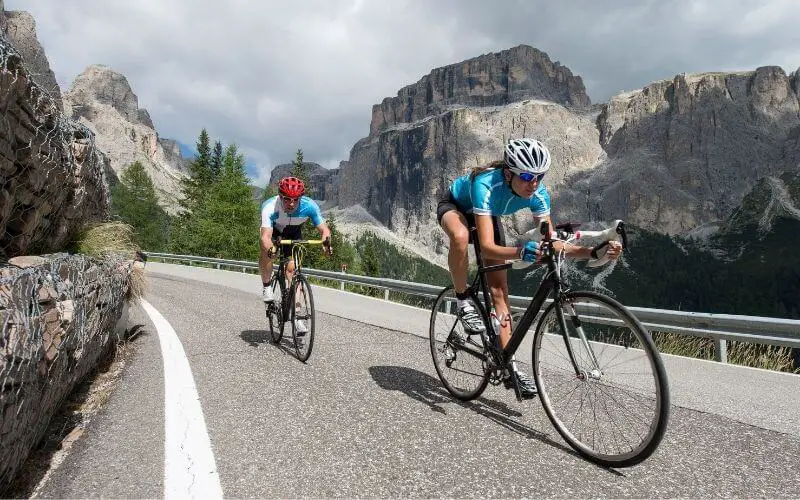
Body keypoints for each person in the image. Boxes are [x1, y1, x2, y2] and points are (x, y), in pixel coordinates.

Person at [436, 138, 622, 398]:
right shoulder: (486, 183)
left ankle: (508, 364)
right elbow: (488, 247)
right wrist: (522, 252)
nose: (533, 183)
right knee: (460, 236)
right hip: (456, 207)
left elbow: (551, 242)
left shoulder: (539, 195)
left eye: (539, 177)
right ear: (509, 173)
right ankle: (463, 299)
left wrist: (592, 251)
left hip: (488, 216)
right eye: (526, 176)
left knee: (500, 293)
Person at [260, 176, 332, 333]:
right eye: (287, 199)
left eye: (295, 200)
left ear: (301, 198)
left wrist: (326, 243)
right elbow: (265, 237)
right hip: (275, 231)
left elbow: (324, 230)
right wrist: (271, 249)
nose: (291, 204)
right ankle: (267, 286)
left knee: (293, 270)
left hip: (294, 233)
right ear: (280, 197)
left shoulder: (310, 206)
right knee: (267, 252)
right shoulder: (270, 207)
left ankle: (297, 317)